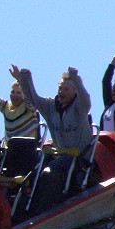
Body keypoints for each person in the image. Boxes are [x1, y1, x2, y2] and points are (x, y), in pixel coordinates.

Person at [17, 66, 93, 215]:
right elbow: (34, 99)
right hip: (58, 156)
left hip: (78, 158)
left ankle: (42, 212)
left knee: (50, 172)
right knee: (32, 173)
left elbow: (86, 99)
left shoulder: (79, 107)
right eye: (60, 88)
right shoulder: (51, 106)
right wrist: (26, 79)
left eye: (66, 89)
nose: (61, 92)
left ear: (74, 91)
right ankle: (22, 211)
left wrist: (76, 78)